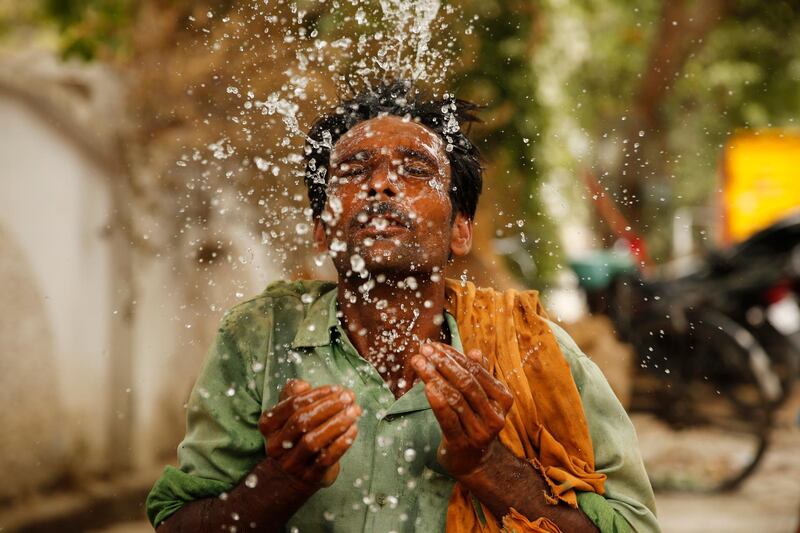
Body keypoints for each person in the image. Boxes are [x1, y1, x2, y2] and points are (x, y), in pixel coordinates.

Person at [146, 81, 660, 533]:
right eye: (352, 169)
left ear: (461, 230)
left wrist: (487, 463)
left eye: (415, 169)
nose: (380, 184)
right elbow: (178, 525)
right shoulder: (259, 337)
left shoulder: (534, 350)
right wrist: (282, 480)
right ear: (323, 229)